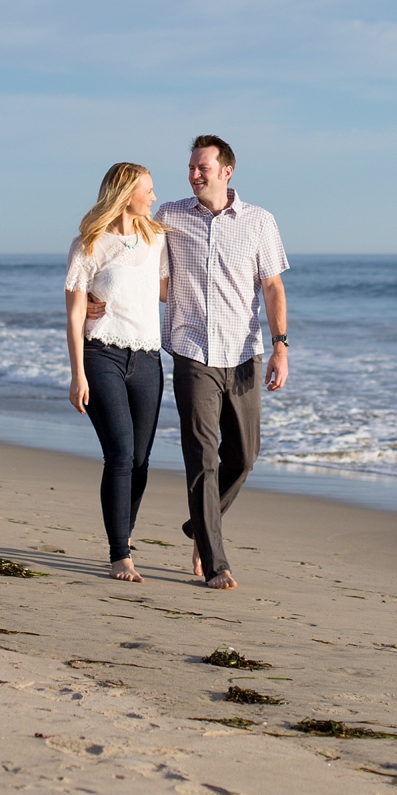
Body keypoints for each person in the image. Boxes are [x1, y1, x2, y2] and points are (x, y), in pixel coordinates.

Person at [87, 134, 289, 590]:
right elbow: (131, 260)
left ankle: (202, 524)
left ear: (226, 171)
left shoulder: (259, 222)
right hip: (191, 351)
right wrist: (96, 294)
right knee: (201, 457)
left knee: (245, 456)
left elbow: (273, 287)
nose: (194, 175)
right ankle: (217, 563)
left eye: (203, 167)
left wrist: (281, 346)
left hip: (242, 353)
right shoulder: (169, 217)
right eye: (192, 167)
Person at [65, 162, 169, 583]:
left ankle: (123, 534)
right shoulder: (88, 244)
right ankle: (119, 554)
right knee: (121, 456)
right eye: (148, 189)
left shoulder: (156, 238)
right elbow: (74, 314)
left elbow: (167, 290)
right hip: (101, 356)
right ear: (127, 194)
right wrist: (77, 375)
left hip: (148, 359)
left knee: (141, 461)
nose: (154, 196)